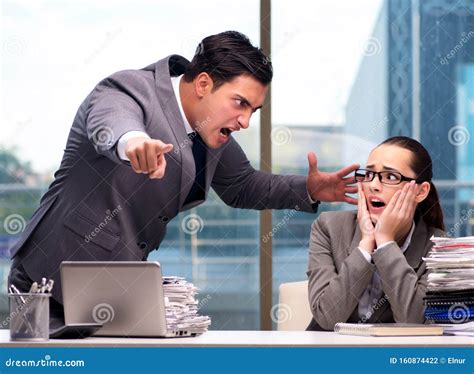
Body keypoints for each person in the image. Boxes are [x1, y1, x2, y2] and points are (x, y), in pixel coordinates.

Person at [8, 31, 359, 327]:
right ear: (204, 83)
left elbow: (242, 185)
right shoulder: (129, 90)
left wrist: (309, 188)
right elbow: (111, 125)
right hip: (50, 280)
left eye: (254, 110)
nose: (245, 121)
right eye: (240, 103)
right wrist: (134, 143)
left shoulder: (212, 135)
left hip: (116, 289)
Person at [306, 136, 446, 331]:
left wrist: (385, 241)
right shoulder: (328, 227)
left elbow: (414, 322)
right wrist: (366, 244)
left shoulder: (441, 249)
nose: (373, 185)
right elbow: (328, 317)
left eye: (390, 177)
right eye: (369, 174)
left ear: (420, 192)